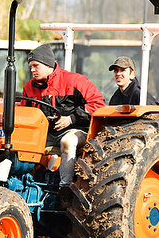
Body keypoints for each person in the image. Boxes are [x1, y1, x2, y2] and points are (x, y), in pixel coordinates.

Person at [21, 44, 105, 207]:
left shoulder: (74, 81)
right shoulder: (29, 87)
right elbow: (24, 112)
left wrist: (71, 118)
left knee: (67, 141)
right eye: (30, 66)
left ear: (47, 64)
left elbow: (98, 103)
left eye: (36, 66)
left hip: (77, 130)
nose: (32, 70)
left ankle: (65, 188)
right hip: (47, 134)